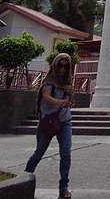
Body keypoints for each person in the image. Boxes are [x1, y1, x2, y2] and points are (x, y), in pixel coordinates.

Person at [26, 53, 74, 199]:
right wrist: (60, 102)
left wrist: (70, 95)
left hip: (64, 121)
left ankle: (63, 187)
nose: (63, 69)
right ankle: (24, 179)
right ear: (54, 65)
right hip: (48, 122)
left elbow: (71, 104)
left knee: (66, 153)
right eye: (60, 65)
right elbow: (46, 98)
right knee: (39, 152)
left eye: (66, 66)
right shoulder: (48, 82)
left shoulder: (67, 84)